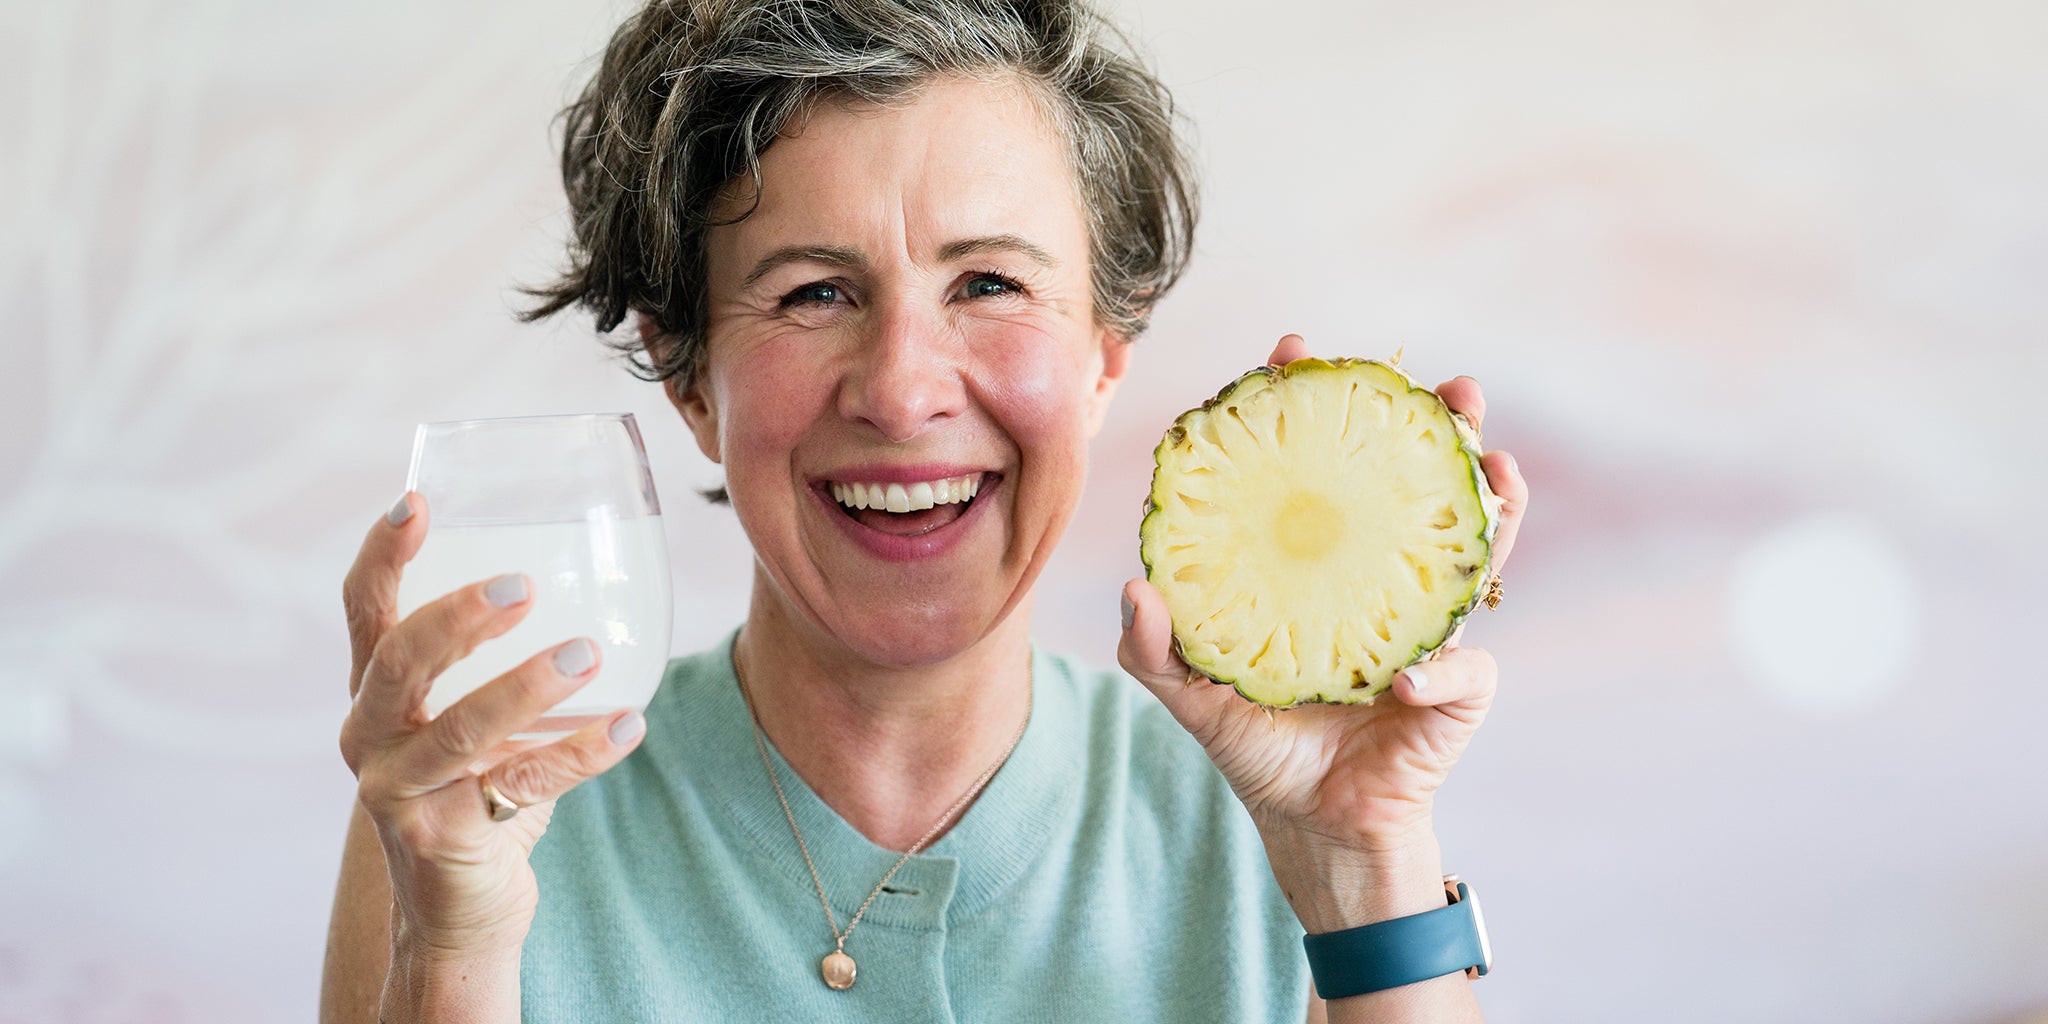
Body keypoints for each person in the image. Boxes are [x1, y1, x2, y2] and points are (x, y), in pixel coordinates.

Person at [320, 1, 1529, 1021]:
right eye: (813, 292)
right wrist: (452, 947)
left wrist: (1362, 866)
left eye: (989, 282)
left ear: (1104, 353)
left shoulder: (1259, 811)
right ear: (689, 378)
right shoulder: (474, 812)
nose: (901, 391)